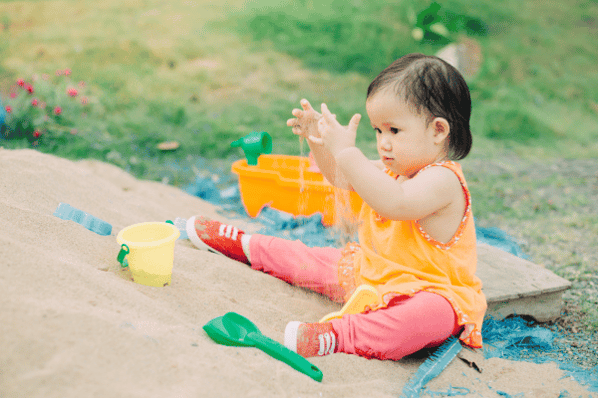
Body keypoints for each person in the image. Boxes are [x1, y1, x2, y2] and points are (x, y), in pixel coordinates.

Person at [186, 53, 487, 360]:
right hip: (378, 273)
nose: (383, 142)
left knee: (426, 316)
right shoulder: (395, 170)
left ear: (438, 131)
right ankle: (246, 245)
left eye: (394, 131)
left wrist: (347, 151)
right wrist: (320, 141)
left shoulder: (443, 180)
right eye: (378, 131)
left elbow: (396, 203)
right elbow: (343, 178)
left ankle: (339, 335)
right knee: (315, 261)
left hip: (433, 291)